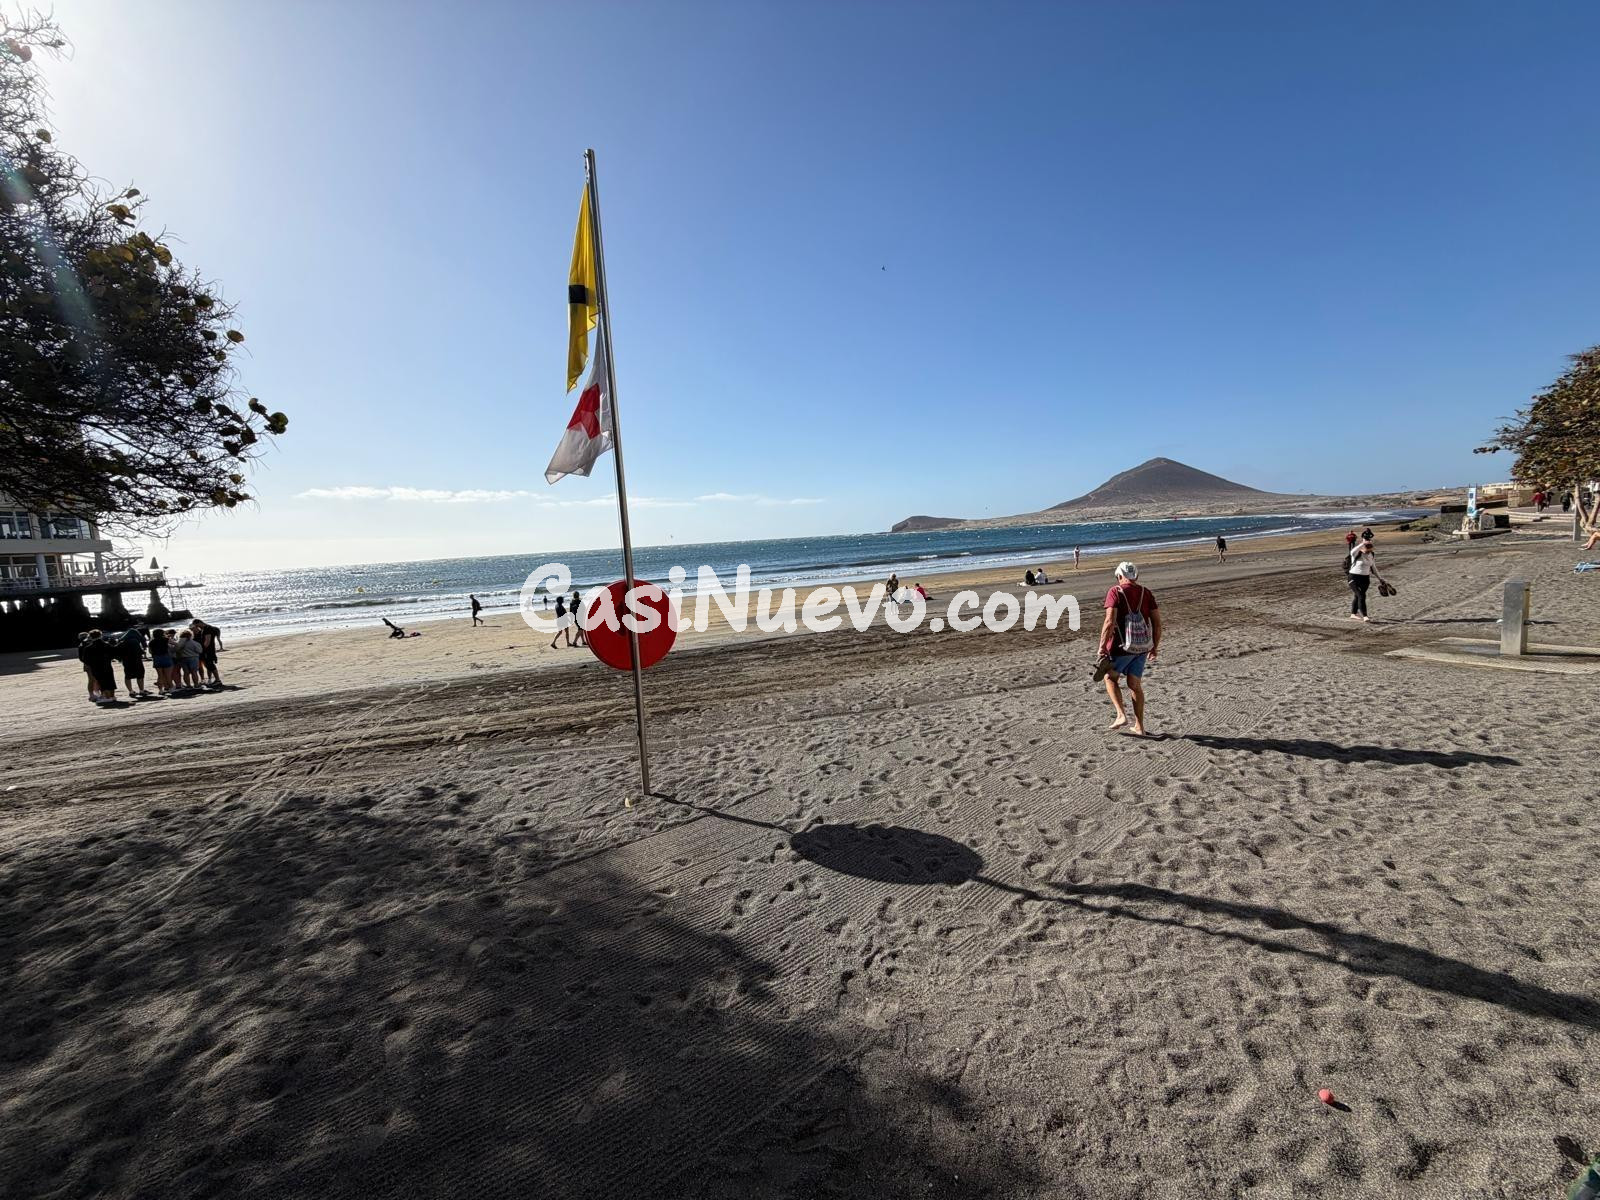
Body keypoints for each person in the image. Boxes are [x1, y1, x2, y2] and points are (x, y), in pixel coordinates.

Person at [1097, 562, 1159, 737]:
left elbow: (1109, 622)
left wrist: (1102, 646)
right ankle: (1139, 726)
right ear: (1136, 576)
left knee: (1109, 677)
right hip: (1142, 646)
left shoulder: (1115, 592)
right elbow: (1157, 623)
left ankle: (1121, 715)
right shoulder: (1146, 593)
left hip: (1121, 646)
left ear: (1119, 576)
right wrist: (1154, 646)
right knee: (1135, 685)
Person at [81, 629, 118, 705]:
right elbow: (114, 654)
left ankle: (107, 697)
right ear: (100, 635)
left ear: (91, 637)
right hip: (107, 665)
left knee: (102, 681)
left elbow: (85, 660)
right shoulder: (107, 645)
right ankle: (112, 696)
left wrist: (92, 664)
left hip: (96, 667)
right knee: (110, 680)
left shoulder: (88, 648)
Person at [1347, 536, 1377, 621]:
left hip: (1365, 578)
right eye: (1368, 550)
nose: (1369, 551)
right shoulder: (1356, 554)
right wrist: (1363, 543)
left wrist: (1381, 579)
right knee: (1361, 595)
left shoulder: (1371, 555)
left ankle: (1353, 614)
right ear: (1362, 548)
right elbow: (1352, 551)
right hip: (1353, 577)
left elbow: (1374, 568)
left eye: (1371, 549)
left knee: (1358, 596)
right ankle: (1365, 616)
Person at [116, 631, 151, 699]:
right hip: (137, 661)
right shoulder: (135, 641)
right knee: (140, 675)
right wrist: (143, 652)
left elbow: (117, 653)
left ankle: (131, 691)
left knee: (128, 676)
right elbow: (139, 651)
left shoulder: (121, 643)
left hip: (126, 662)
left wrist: (120, 659)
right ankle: (141, 690)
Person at [190, 619, 224, 686]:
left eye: (197, 625)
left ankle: (218, 680)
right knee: (208, 665)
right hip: (206, 650)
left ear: (200, 623)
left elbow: (207, 642)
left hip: (208, 650)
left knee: (210, 665)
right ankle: (214, 680)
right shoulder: (204, 629)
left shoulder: (208, 628)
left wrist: (201, 649)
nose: (198, 627)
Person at [150, 628, 174, 694]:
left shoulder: (151, 642)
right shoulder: (166, 639)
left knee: (160, 676)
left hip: (156, 658)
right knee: (168, 675)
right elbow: (176, 644)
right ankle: (171, 688)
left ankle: (161, 690)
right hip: (166, 657)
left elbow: (150, 651)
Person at [77, 632, 100, 703]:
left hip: (87, 664)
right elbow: (82, 658)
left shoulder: (81, 645)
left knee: (93, 679)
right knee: (93, 679)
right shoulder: (86, 644)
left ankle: (94, 694)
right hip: (90, 664)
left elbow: (81, 658)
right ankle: (93, 694)